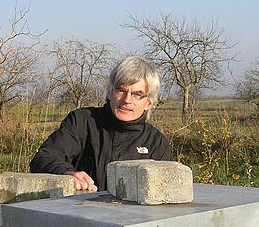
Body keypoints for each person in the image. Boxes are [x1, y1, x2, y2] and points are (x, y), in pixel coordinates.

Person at [29, 56, 172, 192]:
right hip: (80, 212)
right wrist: (67, 173)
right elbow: (44, 158)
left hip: (133, 217)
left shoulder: (156, 143)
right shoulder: (82, 122)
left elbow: (165, 189)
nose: (127, 100)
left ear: (148, 103)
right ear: (110, 93)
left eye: (137, 94)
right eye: (121, 90)